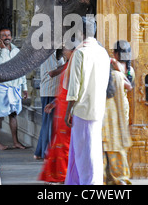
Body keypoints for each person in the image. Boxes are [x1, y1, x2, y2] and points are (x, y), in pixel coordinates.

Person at [64, 16, 110, 185]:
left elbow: (74, 87)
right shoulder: (102, 52)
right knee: (86, 150)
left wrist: (68, 110)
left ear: (79, 32)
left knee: (86, 155)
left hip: (83, 109)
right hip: (98, 107)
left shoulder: (81, 53)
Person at [39, 39, 78, 184]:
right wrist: (54, 103)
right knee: (59, 141)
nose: (64, 51)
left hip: (68, 109)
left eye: (66, 49)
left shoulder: (75, 66)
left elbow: (74, 91)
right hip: (61, 107)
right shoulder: (68, 65)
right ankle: (59, 175)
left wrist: (68, 110)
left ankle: (64, 175)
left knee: (66, 143)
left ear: (73, 51)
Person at [0, 28, 28, 150]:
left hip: (15, 86)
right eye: (4, 35)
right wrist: (4, 50)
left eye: (8, 35)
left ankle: (16, 142)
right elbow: (1, 65)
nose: (7, 37)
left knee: (13, 114)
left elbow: (22, 69)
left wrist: (24, 87)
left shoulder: (17, 51)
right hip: (2, 87)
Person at [102, 40, 135, 185]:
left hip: (113, 108)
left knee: (111, 141)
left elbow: (129, 86)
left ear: (116, 53)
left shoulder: (122, 70)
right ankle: (115, 177)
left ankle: (113, 177)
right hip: (120, 108)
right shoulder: (126, 68)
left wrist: (117, 69)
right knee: (117, 140)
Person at [34, 50, 64, 160]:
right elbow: (52, 73)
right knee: (48, 123)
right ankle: (46, 151)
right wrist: (68, 64)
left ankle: (39, 151)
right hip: (49, 92)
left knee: (48, 122)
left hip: (55, 91)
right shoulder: (49, 54)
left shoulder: (59, 55)